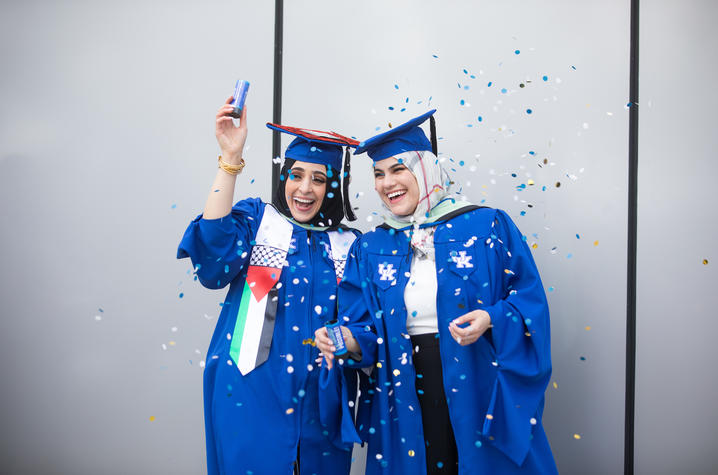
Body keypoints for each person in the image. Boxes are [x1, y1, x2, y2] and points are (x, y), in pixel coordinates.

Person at [315, 110, 558, 474]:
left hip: (475, 376)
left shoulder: (487, 225)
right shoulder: (371, 247)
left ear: (426, 169)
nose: (386, 182)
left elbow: (529, 303)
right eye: (378, 174)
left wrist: (492, 317)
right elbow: (362, 327)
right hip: (403, 385)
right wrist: (347, 338)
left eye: (398, 169)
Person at [177, 97, 367, 474]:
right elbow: (214, 252)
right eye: (296, 175)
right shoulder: (259, 222)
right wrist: (230, 160)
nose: (305, 189)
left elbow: (362, 321)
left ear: (334, 186)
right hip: (252, 388)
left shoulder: (350, 245)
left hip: (322, 397)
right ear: (284, 179)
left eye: (319, 178)